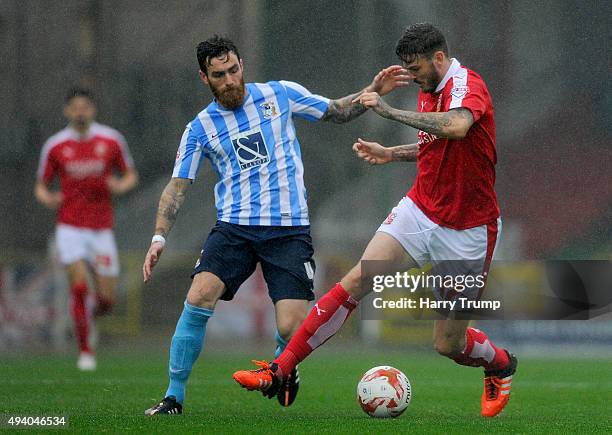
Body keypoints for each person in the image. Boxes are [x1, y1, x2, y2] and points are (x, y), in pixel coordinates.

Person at [233, 23, 518, 418]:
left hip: (468, 231)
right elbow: (436, 148)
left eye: (416, 68)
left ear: (438, 58)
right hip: (420, 210)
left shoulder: (468, 86)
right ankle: (280, 369)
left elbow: (456, 127)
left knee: (448, 344)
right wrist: (391, 154)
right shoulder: (429, 88)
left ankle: (499, 362)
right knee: (357, 279)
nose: (412, 77)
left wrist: (387, 111)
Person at [142, 35, 409, 416]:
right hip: (234, 229)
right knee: (199, 295)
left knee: (291, 326)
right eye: (220, 75)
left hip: (288, 230)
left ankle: (285, 366)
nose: (231, 80)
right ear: (205, 78)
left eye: (234, 70)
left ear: (242, 65)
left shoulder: (279, 95)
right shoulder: (199, 128)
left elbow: (334, 111)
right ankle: (173, 396)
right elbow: (177, 187)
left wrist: (371, 91)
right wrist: (158, 236)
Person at [35, 87, 138, 371]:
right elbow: (41, 186)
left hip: (102, 228)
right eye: (75, 107)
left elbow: (130, 174)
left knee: (107, 299)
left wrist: (120, 185)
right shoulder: (56, 146)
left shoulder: (111, 140)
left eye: (85, 106)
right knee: (79, 286)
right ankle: (85, 350)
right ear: (67, 111)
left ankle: (90, 312)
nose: (80, 111)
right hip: (69, 226)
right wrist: (49, 198)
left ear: (93, 110)